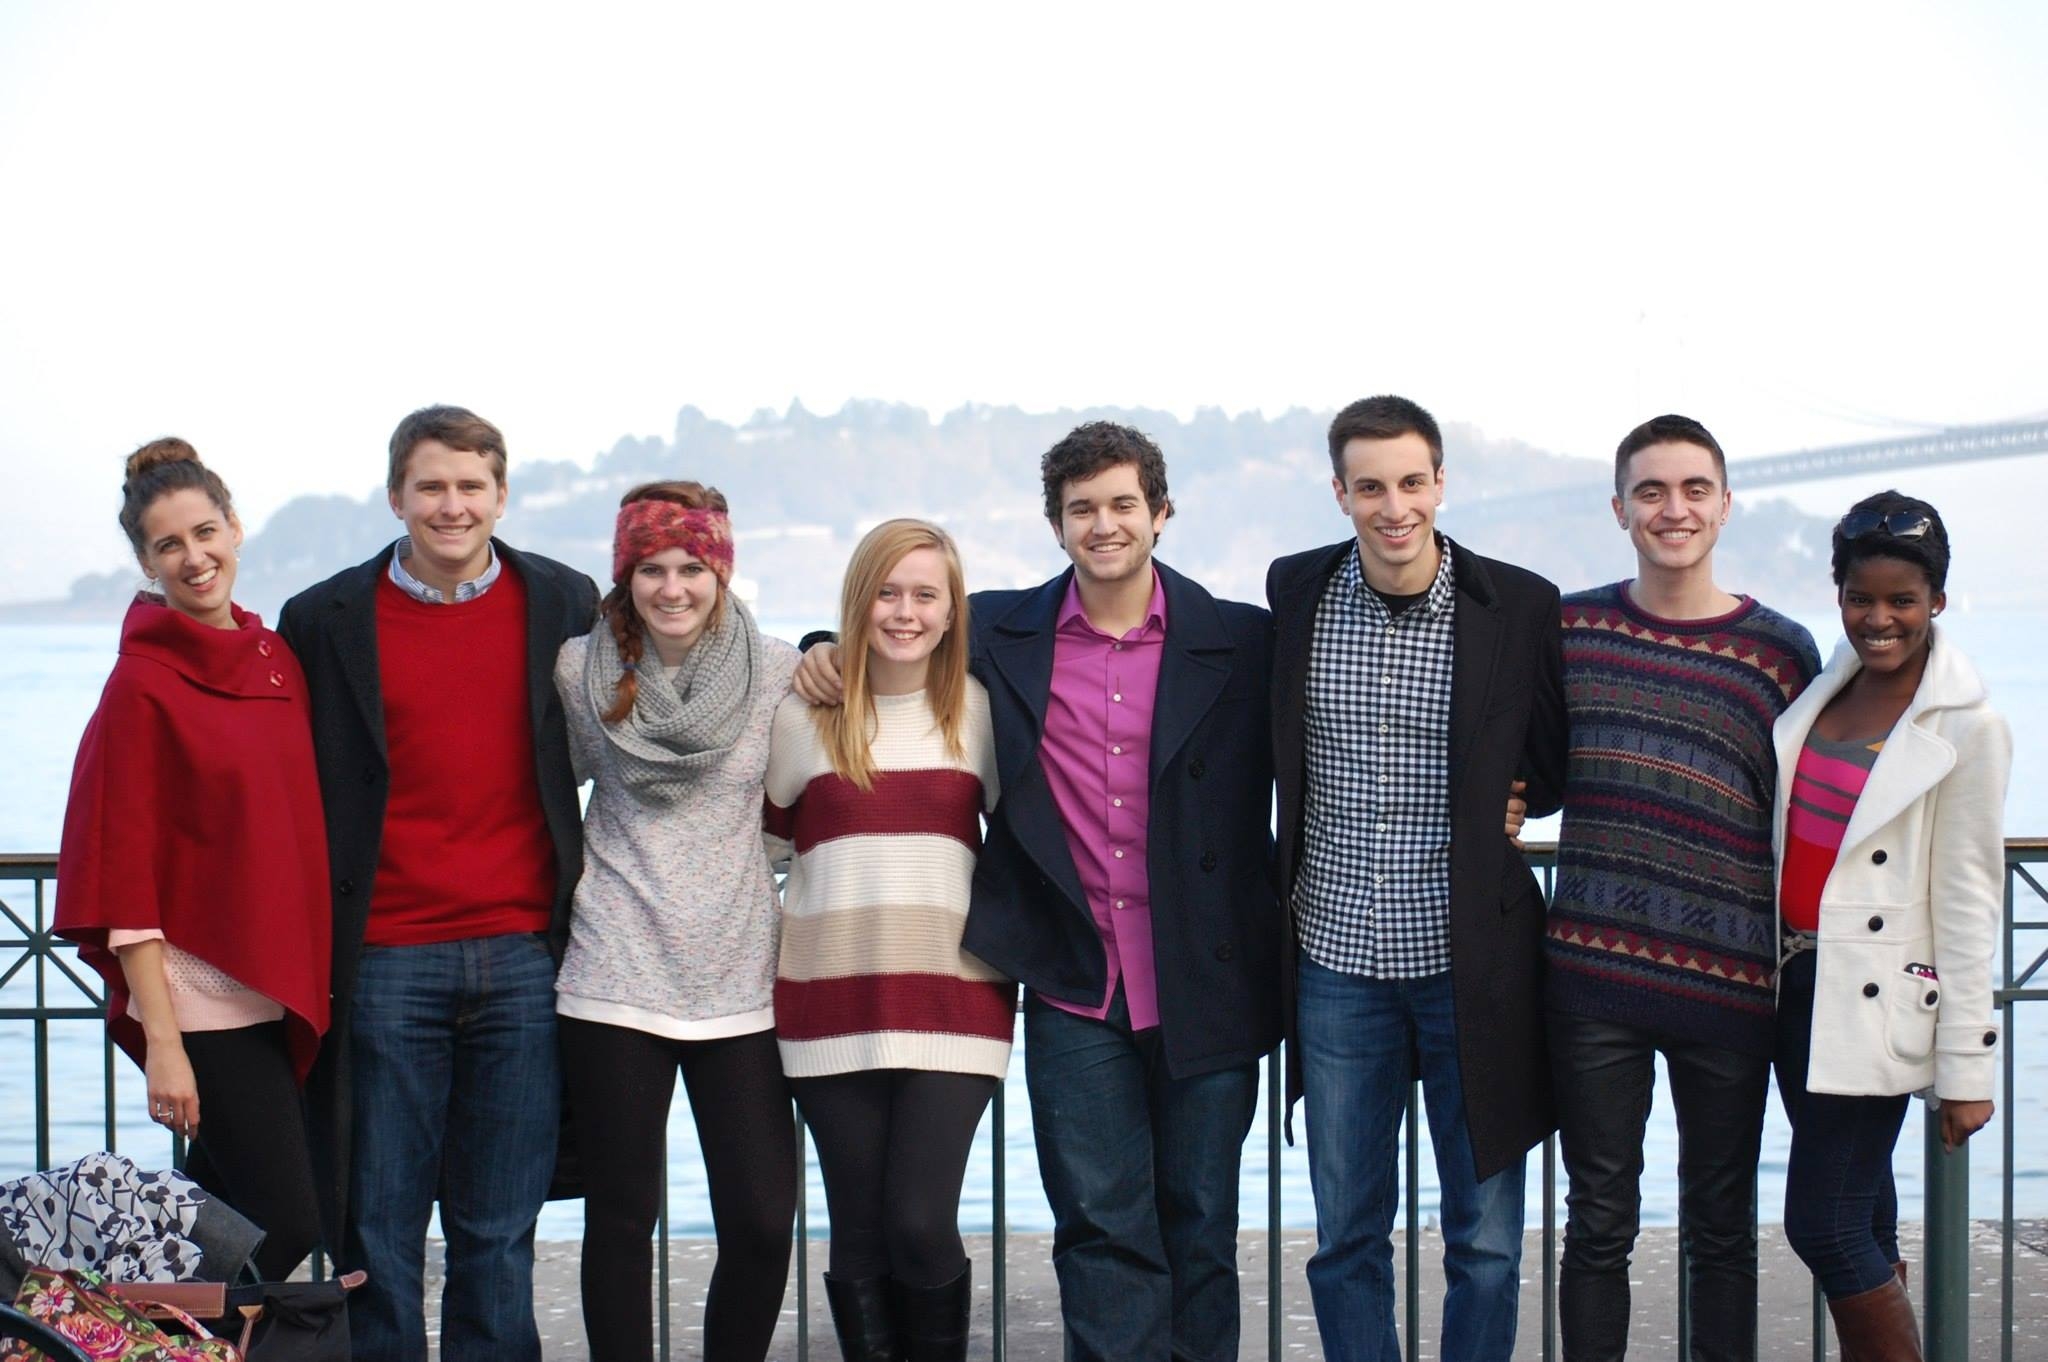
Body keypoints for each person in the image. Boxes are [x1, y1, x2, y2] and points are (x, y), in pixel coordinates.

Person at [793, 425, 1281, 1362]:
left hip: (1209, 981)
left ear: (1161, 514)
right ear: (1056, 525)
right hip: (1072, 983)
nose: (1104, 525)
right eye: (1083, 508)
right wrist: (821, 645)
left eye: (1123, 504)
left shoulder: (1241, 641)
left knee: (1201, 1225)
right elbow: (900, 633)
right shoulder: (1002, 636)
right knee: (1099, 1229)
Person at [277, 406, 599, 1362]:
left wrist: (826, 647)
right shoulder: (324, 619)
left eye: (470, 486)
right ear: (396, 497)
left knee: (498, 1231)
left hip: (522, 956)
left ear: (501, 496)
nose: (451, 506)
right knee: (377, 1231)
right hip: (383, 960)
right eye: (431, 487)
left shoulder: (565, 600)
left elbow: (687, 649)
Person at [1269, 394, 1567, 1362]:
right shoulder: (1294, 592)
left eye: (1409, 482)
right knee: (1345, 1236)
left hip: (1468, 965)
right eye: (1368, 486)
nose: (1391, 506)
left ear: (1439, 483)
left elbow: (1552, 761)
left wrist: (1508, 794)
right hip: (1334, 959)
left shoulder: (1515, 604)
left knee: (1482, 1239)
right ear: (1338, 493)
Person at [1544, 415, 1821, 1362]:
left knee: (1720, 1228)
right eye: (1652, 491)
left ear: (1726, 504)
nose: (1675, 509)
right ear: (1620, 507)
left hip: (1731, 984)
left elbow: (1815, 814)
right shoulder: (1569, 628)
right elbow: (1526, 760)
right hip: (1591, 979)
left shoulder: (1783, 656)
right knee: (1598, 1223)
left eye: (1695, 489)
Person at [56, 438, 330, 1282]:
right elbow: (124, 867)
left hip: (276, 984)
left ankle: (133, 1333)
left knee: (219, 1228)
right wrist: (163, 1042)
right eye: (169, 545)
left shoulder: (275, 659)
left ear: (236, 528)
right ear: (145, 561)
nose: (195, 557)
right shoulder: (140, 683)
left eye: (205, 532)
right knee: (287, 1223)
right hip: (198, 998)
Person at [553, 482, 799, 1361]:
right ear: (625, 576)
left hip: (740, 974)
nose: (672, 588)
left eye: (692, 566)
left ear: (720, 571)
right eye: (651, 568)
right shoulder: (580, 671)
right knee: (621, 1220)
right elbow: (534, 787)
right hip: (614, 969)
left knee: (765, 1219)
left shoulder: (776, 669)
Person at [1771, 492, 2006, 1361]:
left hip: (1872, 1004)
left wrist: (1968, 1069)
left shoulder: (1966, 727)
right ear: (1838, 597)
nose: (1880, 619)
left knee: (1822, 1226)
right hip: (1790, 988)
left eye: (1902, 600)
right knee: (1861, 1214)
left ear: (1936, 602)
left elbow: (1970, 899)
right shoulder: (1821, 691)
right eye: (1859, 598)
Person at [767, 519, 1008, 1362]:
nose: (905, 612)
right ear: (857, 602)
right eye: (887, 592)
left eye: (925, 595)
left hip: (956, 1005)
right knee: (859, 1227)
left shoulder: (980, 713)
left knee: (918, 1219)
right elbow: (756, 854)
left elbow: (1028, 851)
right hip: (826, 1005)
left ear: (952, 612)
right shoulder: (802, 717)